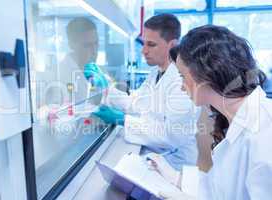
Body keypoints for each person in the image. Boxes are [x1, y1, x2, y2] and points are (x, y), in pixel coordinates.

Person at [150, 25, 272, 200]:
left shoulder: (265, 133)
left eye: (183, 76)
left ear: (207, 73)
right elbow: (220, 190)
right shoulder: (234, 119)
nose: (181, 86)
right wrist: (175, 177)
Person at [84, 14, 201, 170]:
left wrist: (123, 120)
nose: (144, 51)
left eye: (151, 45)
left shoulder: (182, 81)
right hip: (154, 155)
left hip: (174, 165)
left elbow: (171, 136)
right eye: (143, 43)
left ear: (172, 45)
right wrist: (105, 87)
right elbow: (136, 103)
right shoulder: (156, 73)